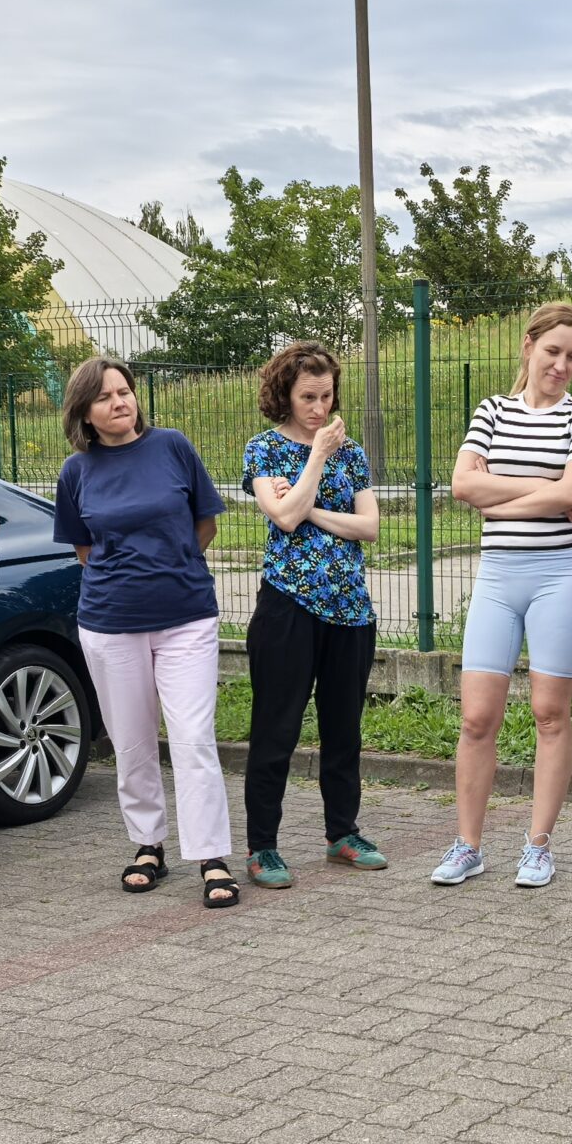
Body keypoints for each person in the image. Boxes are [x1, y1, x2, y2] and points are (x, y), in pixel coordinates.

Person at [52, 361, 238, 908]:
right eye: (105, 396)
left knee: (193, 739)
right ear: (84, 411)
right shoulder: (76, 471)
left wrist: (172, 566)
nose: (119, 402)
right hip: (110, 624)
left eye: (125, 391)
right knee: (132, 741)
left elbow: (206, 522)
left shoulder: (173, 446)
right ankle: (147, 845)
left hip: (186, 618)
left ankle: (210, 856)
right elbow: (83, 549)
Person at [432, 303, 572, 890]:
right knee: (478, 718)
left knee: (550, 715)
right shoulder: (491, 411)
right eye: (552, 351)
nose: (561, 365)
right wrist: (545, 488)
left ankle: (537, 846)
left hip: (558, 577)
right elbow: (461, 485)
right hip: (498, 578)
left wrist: (500, 495)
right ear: (528, 346)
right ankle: (468, 846)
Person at [239, 341, 384, 889]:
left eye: (326, 396)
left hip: (349, 609)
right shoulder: (265, 450)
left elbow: (368, 527)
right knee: (276, 728)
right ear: (284, 394)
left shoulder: (354, 454)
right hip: (288, 607)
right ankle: (263, 847)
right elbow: (283, 518)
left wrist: (311, 507)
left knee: (343, 728)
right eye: (307, 397)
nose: (319, 408)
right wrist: (317, 457)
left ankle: (341, 833)